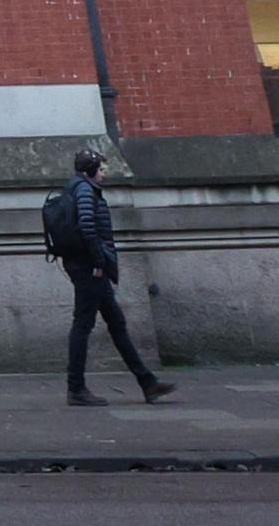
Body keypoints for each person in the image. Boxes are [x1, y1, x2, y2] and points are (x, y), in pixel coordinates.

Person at [51, 148, 176, 406]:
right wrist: (98, 261)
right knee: (83, 325)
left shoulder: (77, 188)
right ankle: (76, 389)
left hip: (88, 266)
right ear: (90, 170)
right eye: (102, 169)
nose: (105, 174)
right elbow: (87, 227)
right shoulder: (85, 190)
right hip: (90, 268)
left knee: (115, 323)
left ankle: (147, 382)